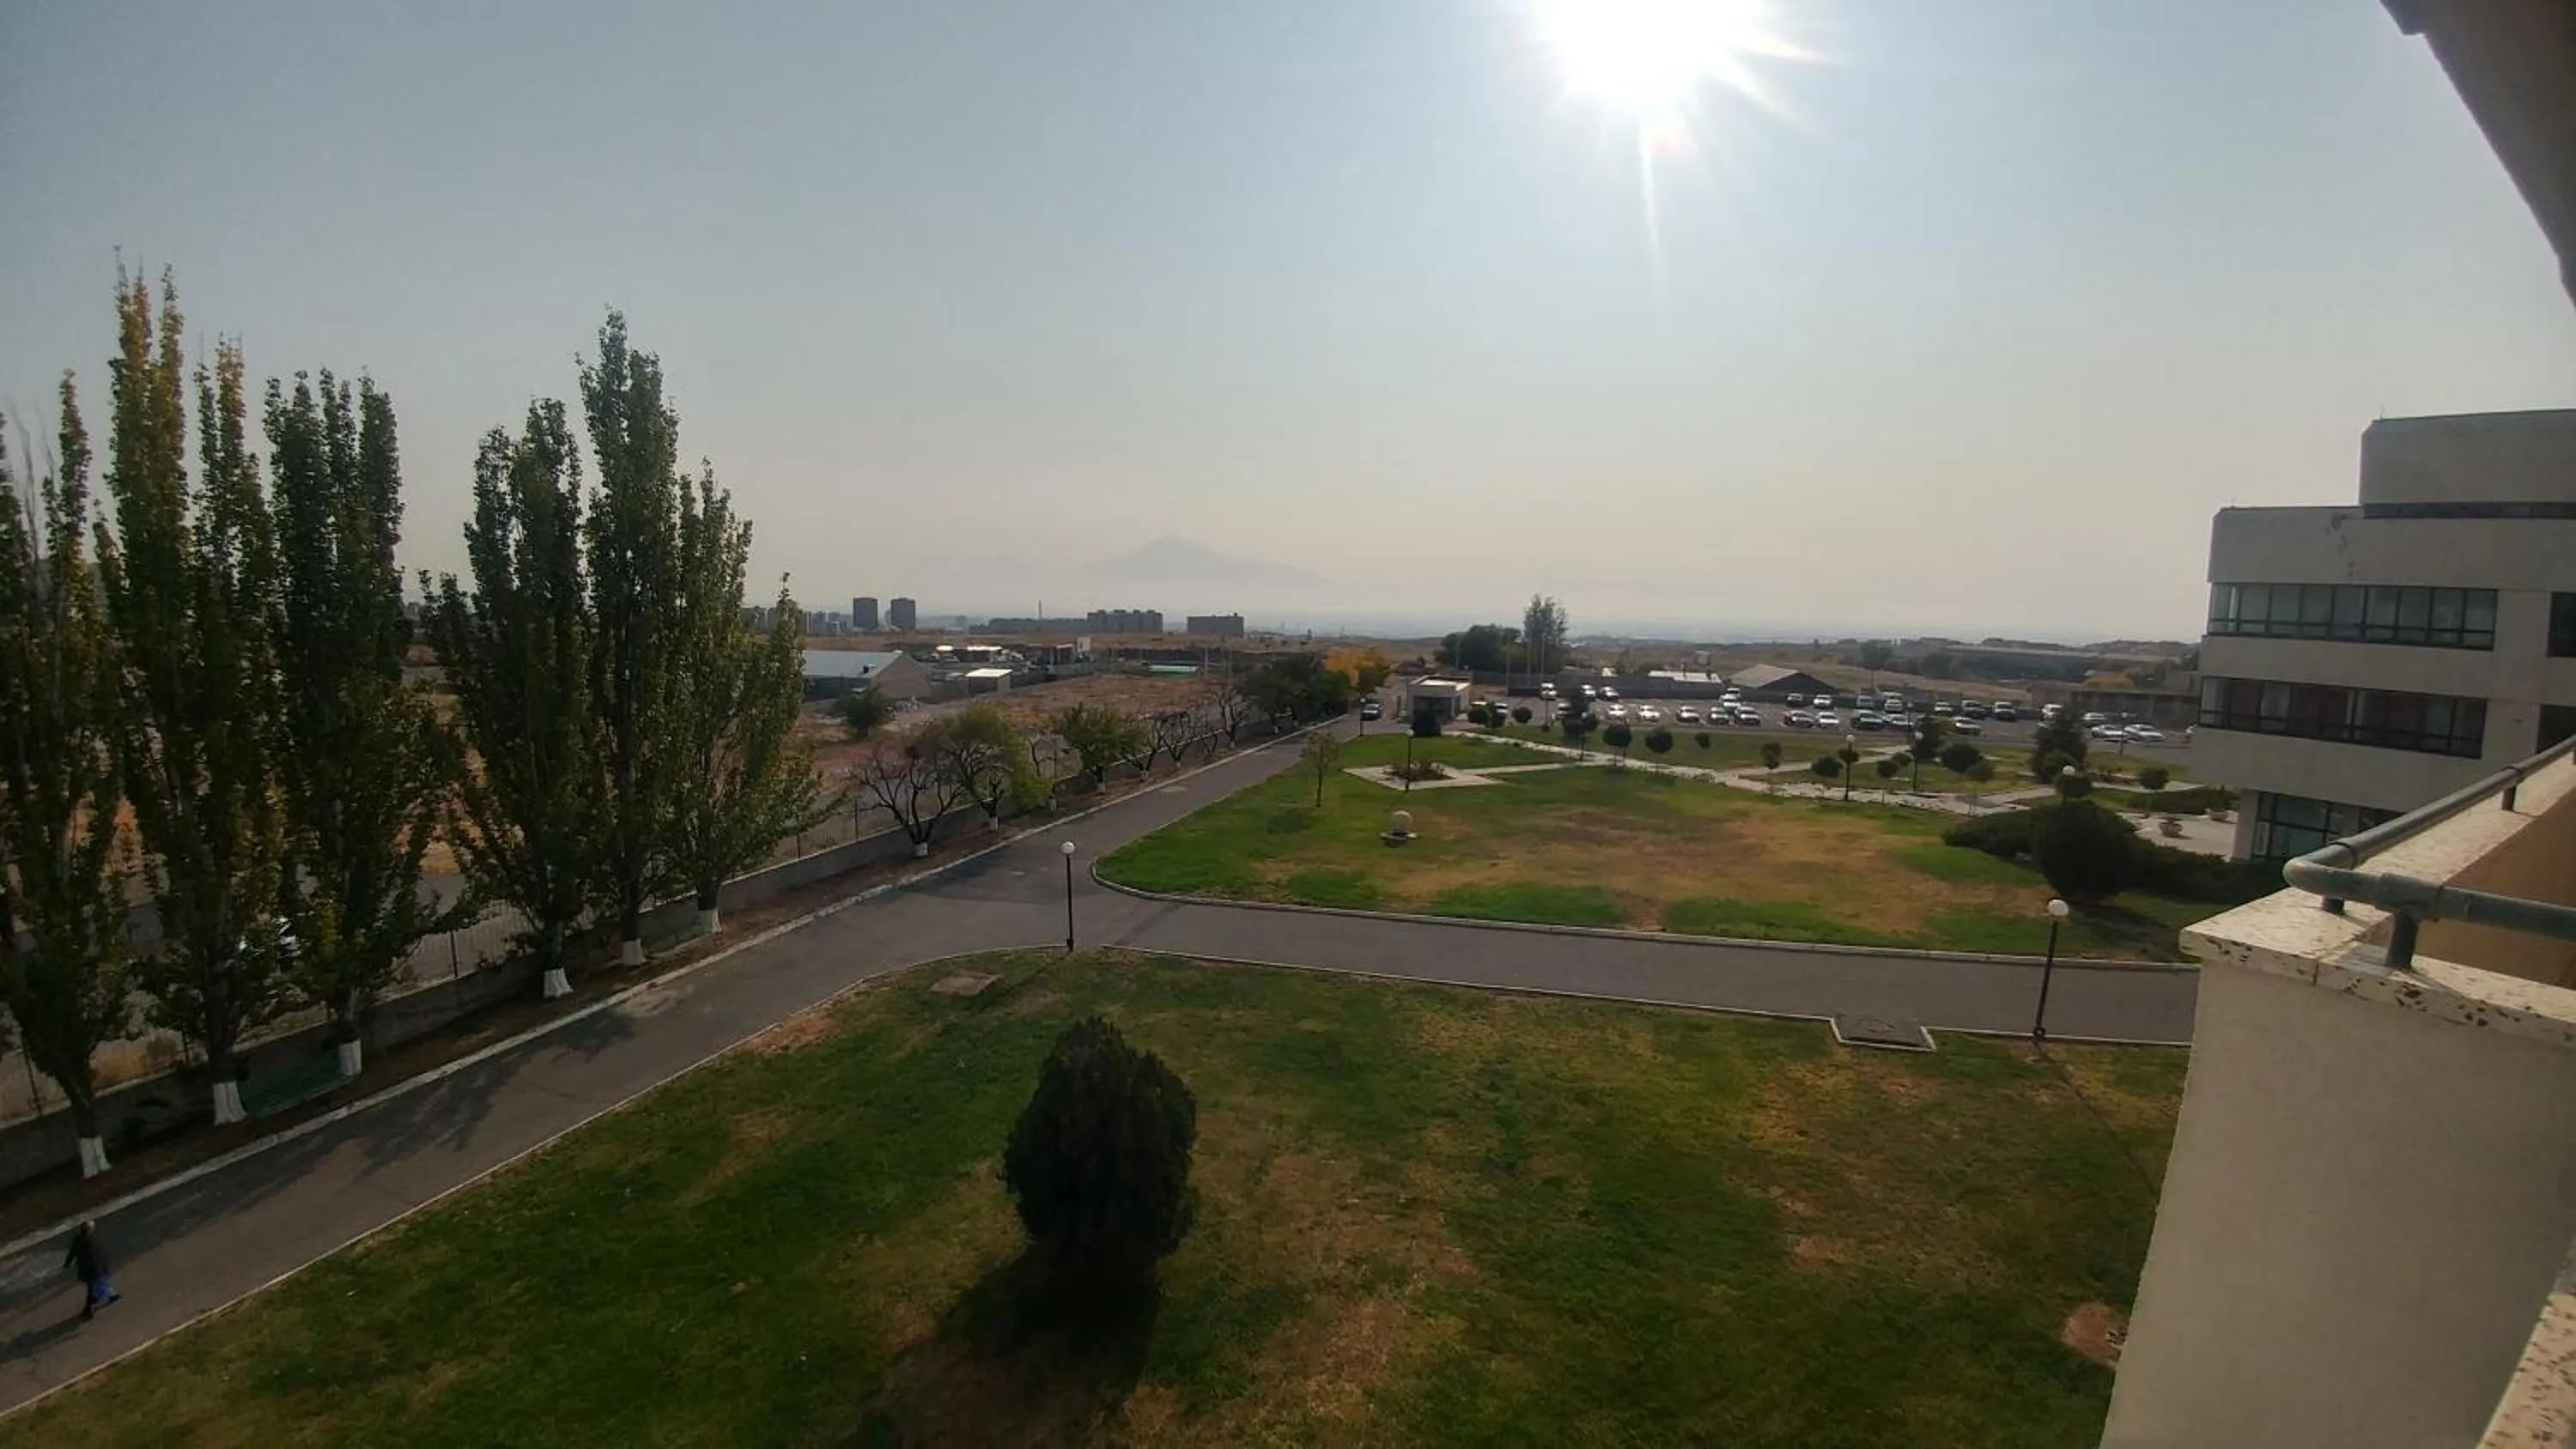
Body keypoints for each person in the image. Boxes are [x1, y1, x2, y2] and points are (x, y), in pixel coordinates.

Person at [65, 1220, 118, 1321]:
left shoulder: (78, 1239)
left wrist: (67, 1263)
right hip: (94, 1270)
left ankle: (110, 1297)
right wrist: (105, 1267)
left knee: (96, 1287)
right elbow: (99, 1256)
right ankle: (89, 1309)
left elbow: (72, 1252)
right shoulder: (93, 1241)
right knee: (94, 1288)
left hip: (86, 1269)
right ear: (90, 1230)